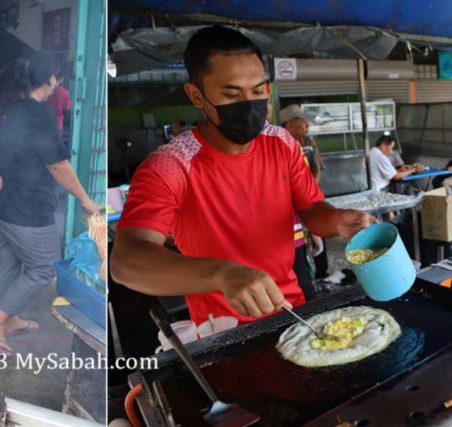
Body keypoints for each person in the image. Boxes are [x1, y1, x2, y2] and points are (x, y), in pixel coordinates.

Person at [110, 26, 377, 323]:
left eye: (258, 90)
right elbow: (125, 261)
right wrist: (224, 274)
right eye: (232, 93)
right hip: (222, 328)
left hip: (292, 311)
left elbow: (312, 208)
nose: (250, 104)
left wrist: (338, 221)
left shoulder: (282, 143)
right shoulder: (171, 165)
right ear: (196, 95)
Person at [0, 52, 101, 353]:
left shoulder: (7, 108)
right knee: (43, 267)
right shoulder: (40, 113)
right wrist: (85, 199)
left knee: (7, 260)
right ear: (51, 80)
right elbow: (58, 166)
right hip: (26, 208)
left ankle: (8, 317)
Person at [280, 104, 326, 300]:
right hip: (289, 223)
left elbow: (317, 171)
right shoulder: (280, 146)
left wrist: (308, 193)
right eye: (302, 121)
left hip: (307, 207)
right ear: (289, 124)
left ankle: (322, 277)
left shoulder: (308, 142)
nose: (306, 124)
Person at [43, 66, 72, 136]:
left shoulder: (42, 89)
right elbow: (68, 114)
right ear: (62, 79)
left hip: (41, 127)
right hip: (57, 129)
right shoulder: (64, 93)